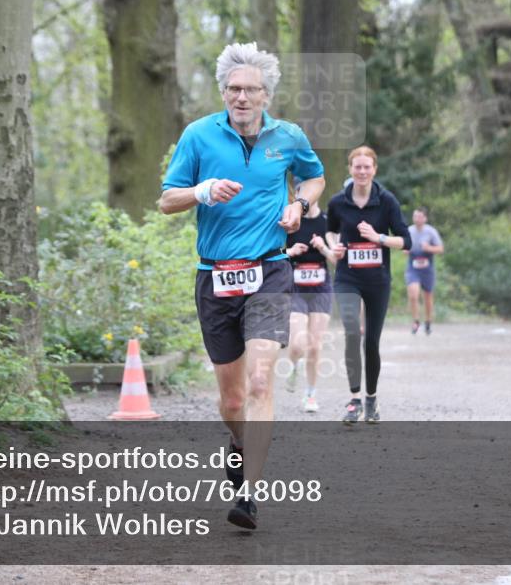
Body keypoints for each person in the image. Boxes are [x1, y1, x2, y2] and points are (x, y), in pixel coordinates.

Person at [159, 42, 325, 529]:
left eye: (251, 90)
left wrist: (299, 204)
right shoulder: (198, 136)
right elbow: (167, 201)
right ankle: (237, 441)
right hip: (215, 275)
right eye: (233, 89)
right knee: (232, 401)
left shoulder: (288, 137)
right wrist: (202, 191)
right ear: (223, 92)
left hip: (269, 269)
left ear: (266, 95)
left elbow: (314, 178)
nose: (242, 97)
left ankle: (249, 494)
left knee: (259, 381)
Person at [325, 146, 411, 425]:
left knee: (371, 341)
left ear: (374, 169)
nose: (362, 171)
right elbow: (330, 231)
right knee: (352, 331)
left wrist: (378, 238)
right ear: (350, 169)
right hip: (347, 277)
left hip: (377, 280)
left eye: (367, 167)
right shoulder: (338, 202)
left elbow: (406, 241)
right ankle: (354, 399)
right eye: (357, 167)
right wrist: (334, 246)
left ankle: (371, 398)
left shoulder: (386, 201)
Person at [284, 195, 335, 412]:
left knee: (314, 346)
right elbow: (273, 254)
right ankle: (294, 365)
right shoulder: (290, 220)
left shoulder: (328, 222)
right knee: (297, 345)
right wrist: (291, 252)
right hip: (296, 288)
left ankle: (310, 394)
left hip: (321, 289)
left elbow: (337, 260)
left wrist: (323, 248)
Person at [404, 207, 444, 335]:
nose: (417, 219)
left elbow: (440, 249)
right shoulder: (409, 230)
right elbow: (403, 247)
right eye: (415, 216)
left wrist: (429, 248)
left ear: (425, 218)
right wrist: (406, 249)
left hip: (427, 267)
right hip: (413, 267)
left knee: (428, 297)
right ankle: (416, 321)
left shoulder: (431, 231)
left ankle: (428, 321)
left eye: (420, 216)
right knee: (413, 294)